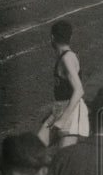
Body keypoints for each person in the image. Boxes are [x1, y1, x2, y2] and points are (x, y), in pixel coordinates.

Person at [37, 20, 88, 148]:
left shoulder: (67, 58)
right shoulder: (65, 57)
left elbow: (79, 90)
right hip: (61, 107)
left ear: (52, 37)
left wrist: (63, 119)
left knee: (64, 157)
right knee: (37, 146)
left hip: (72, 112)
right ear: (70, 37)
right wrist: (54, 112)